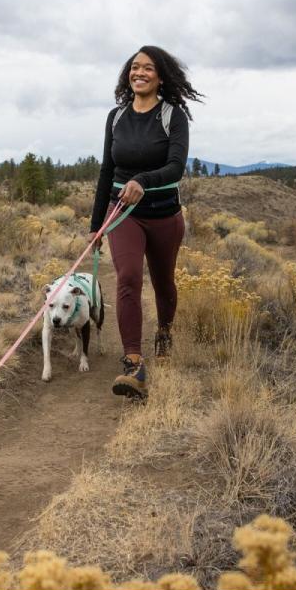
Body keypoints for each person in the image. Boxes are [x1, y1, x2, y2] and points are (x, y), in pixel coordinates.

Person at [88, 45, 204, 399]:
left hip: (165, 214)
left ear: (160, 76)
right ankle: (133, 363)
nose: (139, 73)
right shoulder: (116, 117)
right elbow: (108, 171)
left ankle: (165, 332)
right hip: (123, 214)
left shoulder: (173, 116)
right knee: (128, 278)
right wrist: (96, 226)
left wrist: (144, 181)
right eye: (134, 67)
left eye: (148, 68)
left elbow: (176, 166)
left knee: (164, 282)